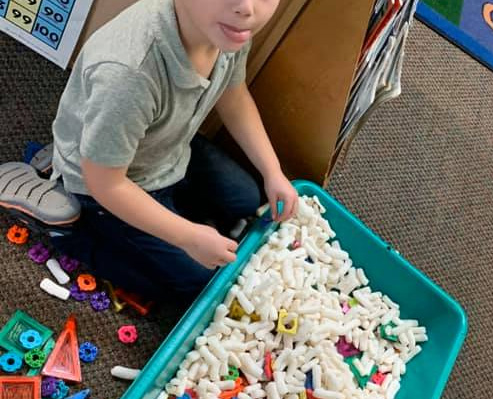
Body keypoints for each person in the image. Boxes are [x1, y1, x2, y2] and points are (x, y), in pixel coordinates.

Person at [0, 0, 297, 304]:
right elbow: (106, 184)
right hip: (106, 183)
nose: (248, 8)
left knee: (247, 199)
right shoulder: (129, 72)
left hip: (164, 145)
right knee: (199, 286)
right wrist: (187, 236)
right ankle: (67, 229)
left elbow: (233, 94)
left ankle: (101, 146)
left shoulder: (228, 27)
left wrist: (272, 172)